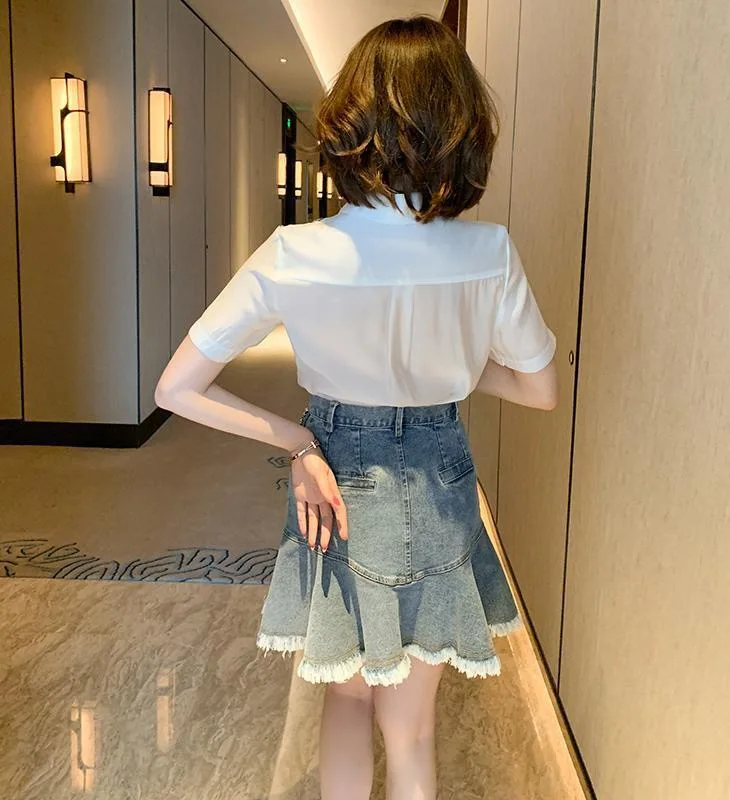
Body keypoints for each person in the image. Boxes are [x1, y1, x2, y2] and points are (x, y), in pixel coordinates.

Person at [154, 15, 557, 800]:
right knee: (413, 729)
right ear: (461, 128)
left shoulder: (293, 252)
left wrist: (299, 442)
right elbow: (539, 390)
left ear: (348, 124)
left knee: (346, 698)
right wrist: (452, 364)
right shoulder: (490, 254)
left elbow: (176, 388)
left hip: (335, 480)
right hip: (441, 483)